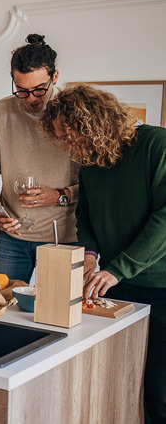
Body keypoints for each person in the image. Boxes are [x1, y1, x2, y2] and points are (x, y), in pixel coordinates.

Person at [40, 84, 166, 423]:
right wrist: (92, 256)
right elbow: (85, 216)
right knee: (116, 383)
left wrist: (118, 269)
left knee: (159, 391)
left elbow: (164, 221)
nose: (65, 147)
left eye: (67, 137)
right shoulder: (91, 163)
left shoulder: (158, 145)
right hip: (114, 285)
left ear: (90, 125)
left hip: (159, 286)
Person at [0, 33, 79, 283]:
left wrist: (60, 195)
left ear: (55, 76)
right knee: (0, 313)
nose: (31, 98)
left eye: (39, 89)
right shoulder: (0, 112)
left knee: (56, 317)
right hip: (13, 240)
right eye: (22, 90)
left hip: (62, 238)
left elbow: (97, 183)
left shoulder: (74, 113)